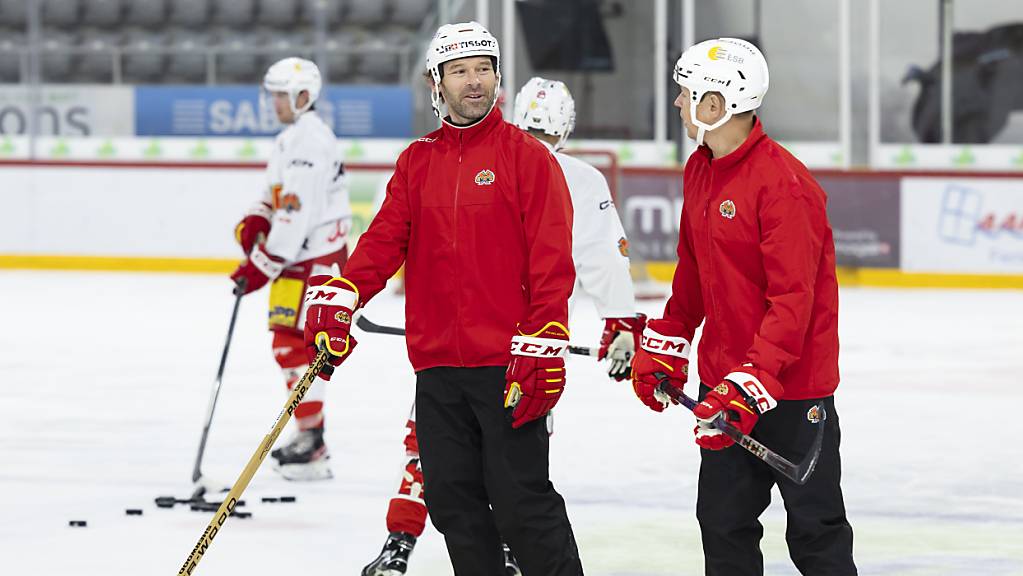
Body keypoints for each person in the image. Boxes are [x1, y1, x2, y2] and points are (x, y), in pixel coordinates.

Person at [302, 22, 585, 576]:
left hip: (507, 366)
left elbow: (553, 263)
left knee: (522, 506)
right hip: (436, 369)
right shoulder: (418, 162)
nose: (474, 82)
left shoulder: (528, 158)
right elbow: (385, 239)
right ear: (437, 83)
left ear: (498, 77)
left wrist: (546, 339)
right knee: (454, 506)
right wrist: (344, 293)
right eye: (459, 71)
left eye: (484, 69)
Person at [361, 77, 643, 576]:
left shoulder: (556, 172)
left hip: (523, 352)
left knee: (513, 485)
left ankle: (440, 540)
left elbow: (596, 258)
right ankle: (422, 536)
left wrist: (619, 322)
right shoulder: (476, 159)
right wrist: (618, 322)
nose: (541, 144)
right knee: (457, 470)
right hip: (458, 353)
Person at [630, 38, 857, 575]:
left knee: (816, 534)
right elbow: (693, 274)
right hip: (725, 386)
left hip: (794, 393)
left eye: (686, 95)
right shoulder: (701, 168)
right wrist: (667, 343)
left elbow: (792, 301)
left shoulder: (785, 185)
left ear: (717, 104)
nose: (679, 105)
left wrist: (753, 380)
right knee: (723, 525)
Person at [230, 57, 350, 481]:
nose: (275, 102)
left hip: (318, 255)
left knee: (307, 346)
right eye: (274, 94)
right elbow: (276, 194)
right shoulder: (290, 139)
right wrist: (257, 217)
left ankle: (313, 441)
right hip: (295, 256)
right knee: (286, 344)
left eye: (281, 95)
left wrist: (261, 263)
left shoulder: (311, 141)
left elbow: (297, 215)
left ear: (304, 96)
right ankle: (308, 436)